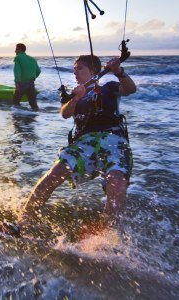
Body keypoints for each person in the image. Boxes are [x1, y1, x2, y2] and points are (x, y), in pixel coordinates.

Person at [17, 54, 137, 233]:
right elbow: (65, 114)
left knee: (117, 181)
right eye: (74, 69)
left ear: (93, 71)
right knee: (56, 172)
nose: (75, 72)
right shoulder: (74, 94)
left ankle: (109, 235)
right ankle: (22, 222)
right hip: (84, 143)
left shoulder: (109, 87)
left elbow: (130, 89)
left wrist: (119, 71)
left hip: (113, 139)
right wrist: (75, 98)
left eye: (80, 68)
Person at [13, 43, 41, 110]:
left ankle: (17, 118)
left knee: (15, 103)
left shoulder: (18, 58)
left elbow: (17, 71)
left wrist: (17, 82)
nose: (15, 51)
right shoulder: (32, 59)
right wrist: (31, 77)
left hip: (22, 83)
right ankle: (33, 118)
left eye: (16, 49)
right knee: (34, 105)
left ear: (19, 49)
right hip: (31, 83)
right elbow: (38, 71)